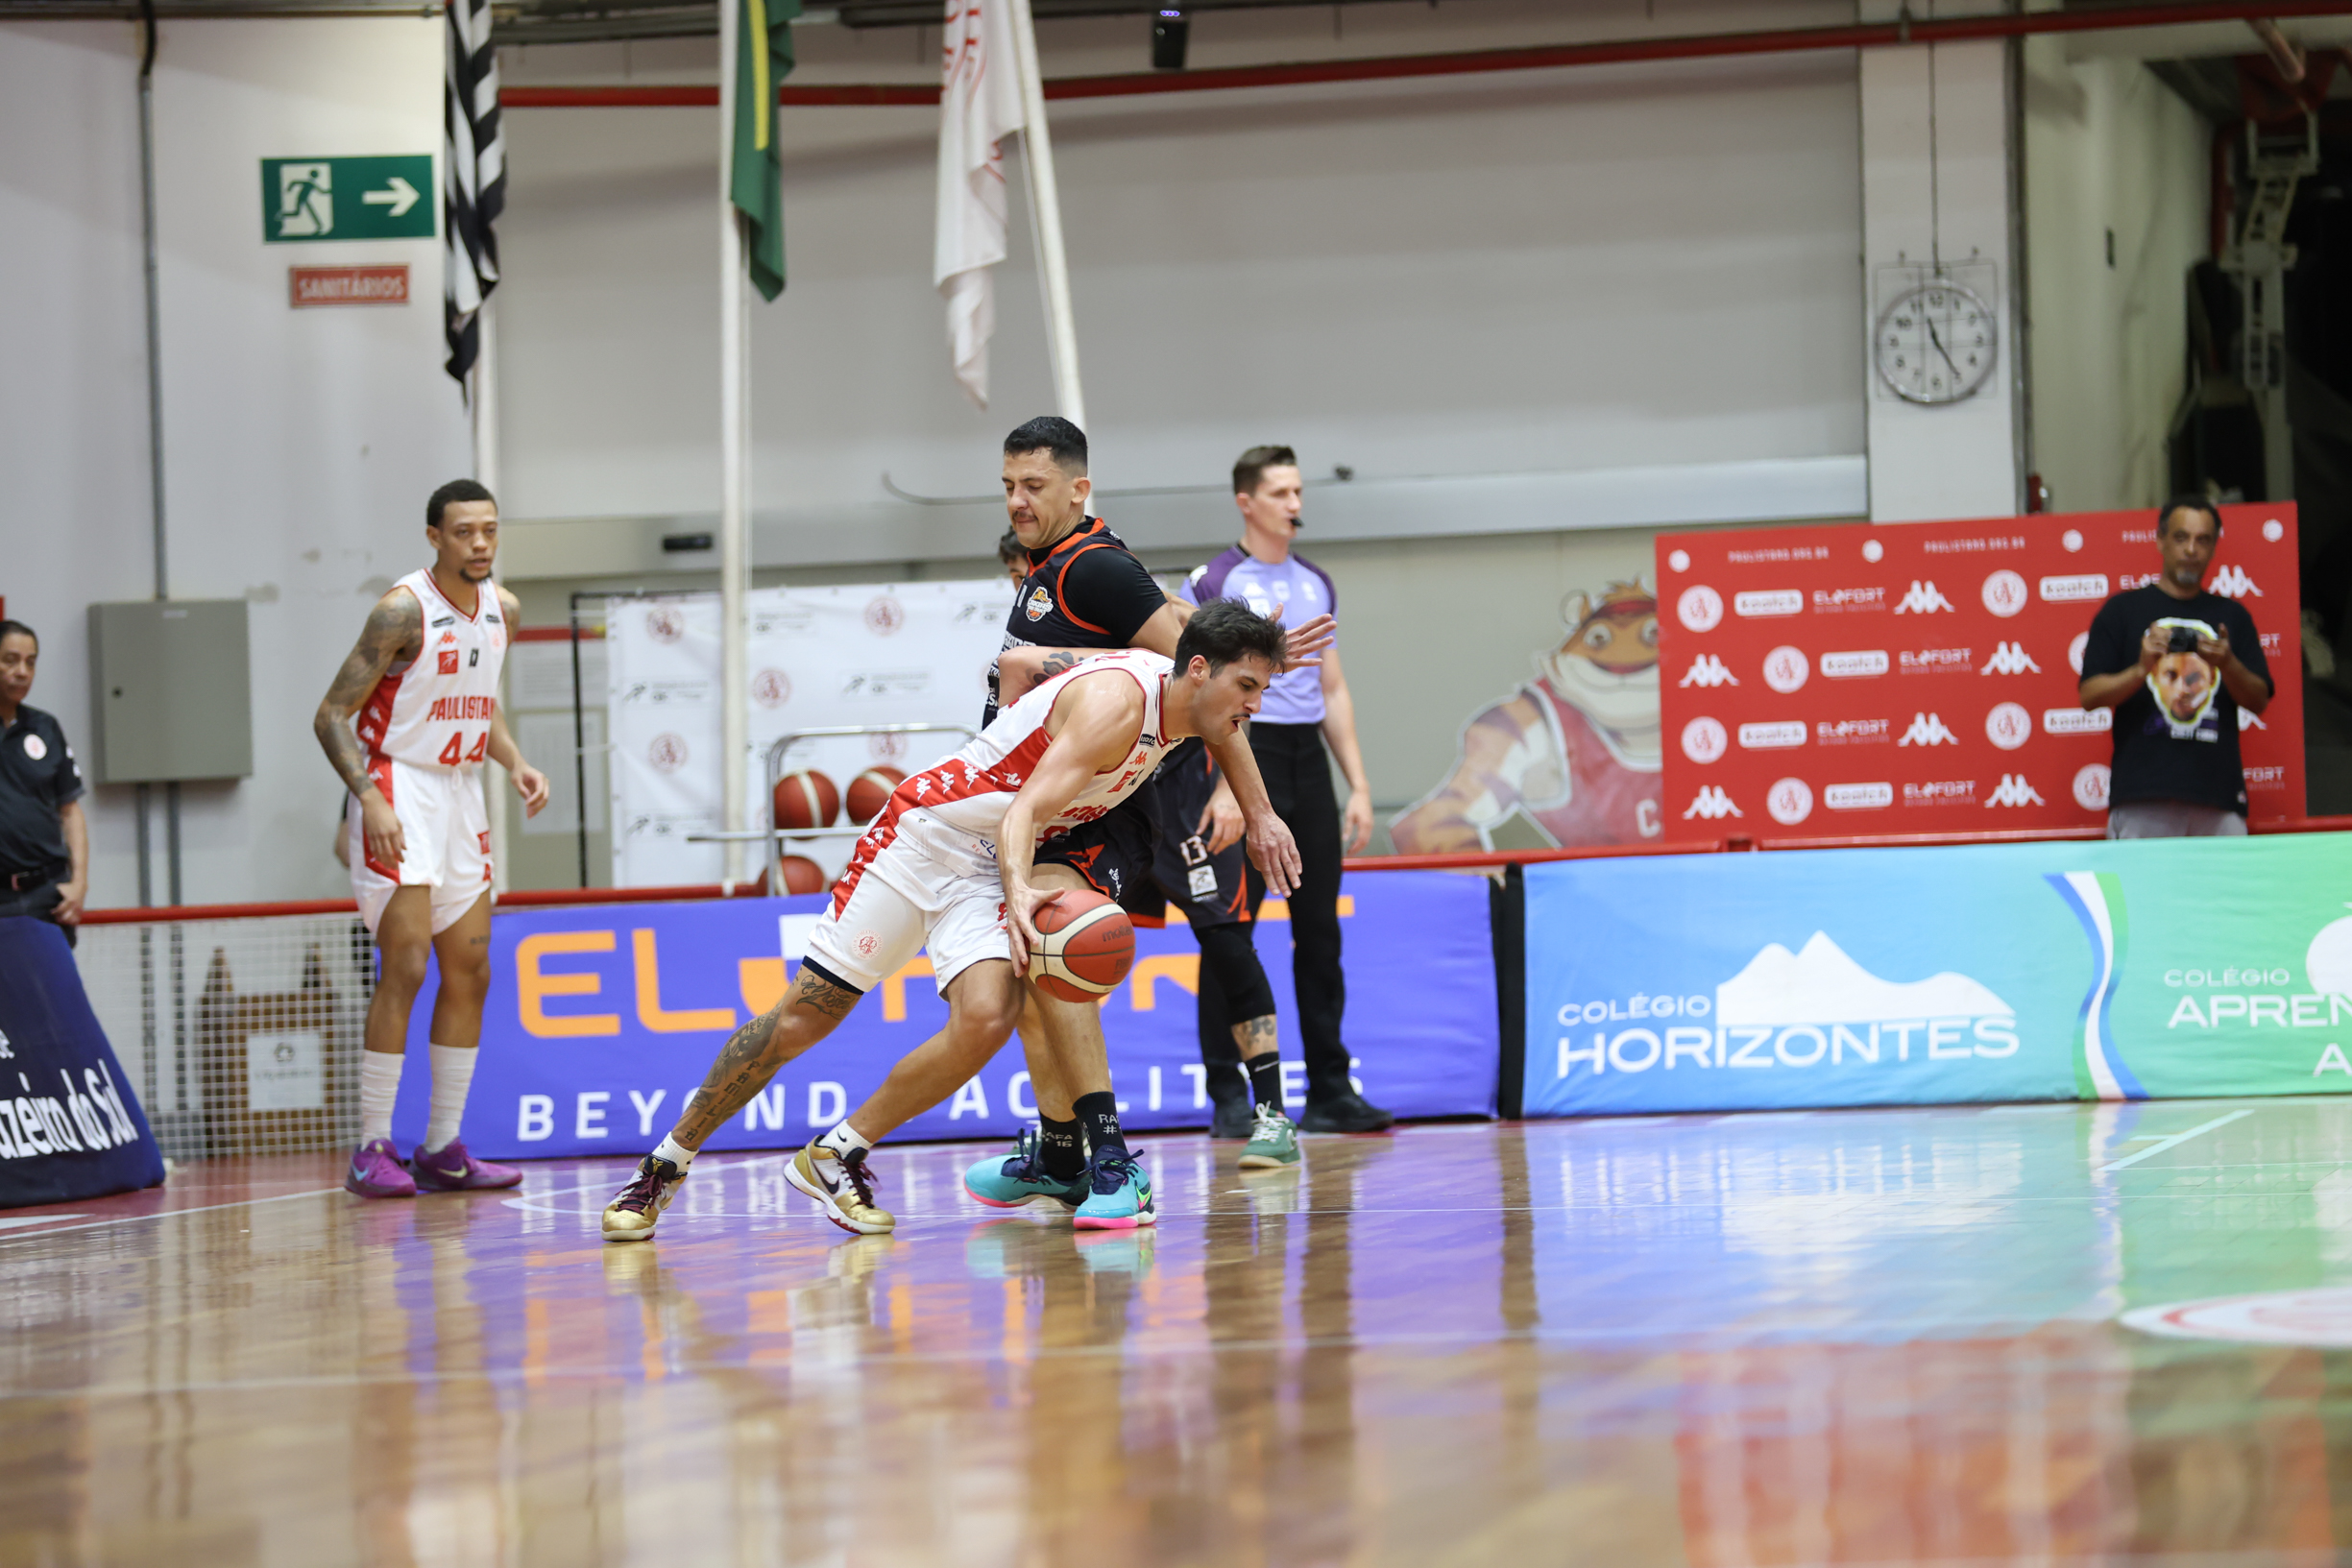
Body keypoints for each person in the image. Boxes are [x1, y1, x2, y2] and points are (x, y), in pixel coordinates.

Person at [598, 601, 1292, 1242]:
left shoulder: (1193, 707)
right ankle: (663, 1165)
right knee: (801, 1021)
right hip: (925, 839)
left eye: (1260, 690)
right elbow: (1022, 813)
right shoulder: (1120, 705)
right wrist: (1021, 895)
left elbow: (1196, 713)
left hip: (987, 863)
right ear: (1195, 669)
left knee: (988, 1016)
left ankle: (836, 1153)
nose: (1254, 707)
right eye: (1246, 687)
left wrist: (1261, 814)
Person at [313, 479, 551, 1198]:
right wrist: (368, 798)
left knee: (471, 970)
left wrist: (515, 761)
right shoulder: (401, 610)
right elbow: (331, 714)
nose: (479, 543)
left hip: (459, 792)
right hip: (398, 783)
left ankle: (443, 1145)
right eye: (463, 532)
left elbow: (481, 701)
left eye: (489, 530)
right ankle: (370, 1146)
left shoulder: (504, 608)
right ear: (434, 537)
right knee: (408, 964)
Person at [1178, 446, 1392, 1133]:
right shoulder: (1214, 580)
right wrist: (1221, 785)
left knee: (1319, 932)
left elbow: (1333, 687)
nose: (1294, 504)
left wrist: (1359, 784)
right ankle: (1229, 1094)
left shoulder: (1316, 581)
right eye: (1279, 492)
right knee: (1231, 933)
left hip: (1306, 759)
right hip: (1244, 751)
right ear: (1246, 502)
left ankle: (1329, 1088)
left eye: (1298, 491)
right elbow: (1196, 693)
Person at [1389, 580, 1664, 852]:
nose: (1626, 653)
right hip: (1578, 881)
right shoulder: (1532, 722)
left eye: (1652, 635)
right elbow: (1429, 826)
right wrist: (1496, 880)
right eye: (1600, 638)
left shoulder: (1693, 718)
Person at [2079, 496, 2273, 837]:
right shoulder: (2122, 611)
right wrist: (2141, 669)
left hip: (2218, 799)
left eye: (2203, 540)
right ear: (2160, 540)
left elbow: (2259, 700)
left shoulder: (2233, 616)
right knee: (2141, 878)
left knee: (2227, 877)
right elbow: (2090, 695)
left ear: (2214, 548)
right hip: (2143, 796)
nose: (2191, 550)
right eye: (2181, 537)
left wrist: (2227, 663)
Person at [0, 621, 89, 948]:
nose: (22, 672)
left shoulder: (46, 728)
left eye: (31, 662)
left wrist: (79, 883)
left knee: (51, 983)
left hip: (45, 896)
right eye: (10, 660)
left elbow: (70, 811)